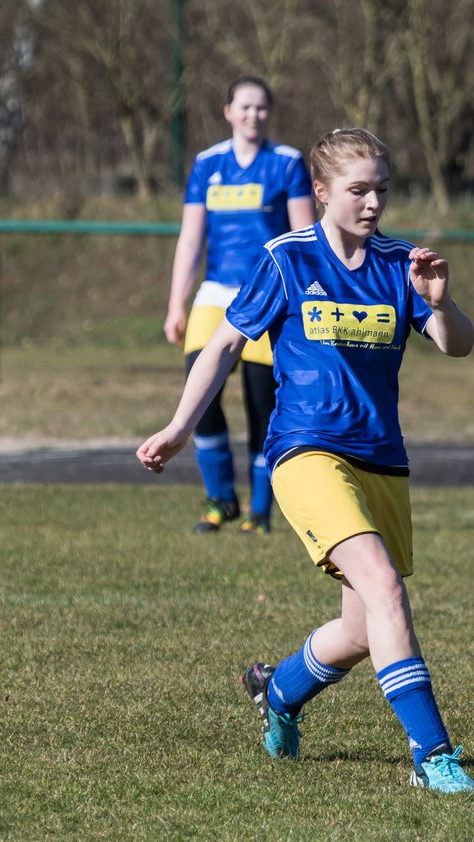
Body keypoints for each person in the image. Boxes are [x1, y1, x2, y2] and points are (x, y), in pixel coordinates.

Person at [139, 128, 474, 794]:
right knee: (384, 587)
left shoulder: (400, 261)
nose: (374, 202)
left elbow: (457, 343)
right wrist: (181, 424)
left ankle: (281, 692)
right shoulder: (287, 258)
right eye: (359, 190)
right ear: (321, 192)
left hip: (382, 458)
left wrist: (441, 302)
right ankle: (432, 752)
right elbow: (225, 347)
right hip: (305, 451)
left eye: (382, 188)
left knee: (360, 629)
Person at [164, 75, 316, 535]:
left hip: (268, 293)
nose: (253, 115)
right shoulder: (207, 164)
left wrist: (304, 298)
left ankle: (261, 511)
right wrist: (177, 303)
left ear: (270, 114)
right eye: (244, 107)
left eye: (261, 108)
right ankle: (220, 500)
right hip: (215, 294)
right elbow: (192, 238)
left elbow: (304, 237)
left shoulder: (287, 163)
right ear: (227, 111)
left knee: (261, 402)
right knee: (200, 389)